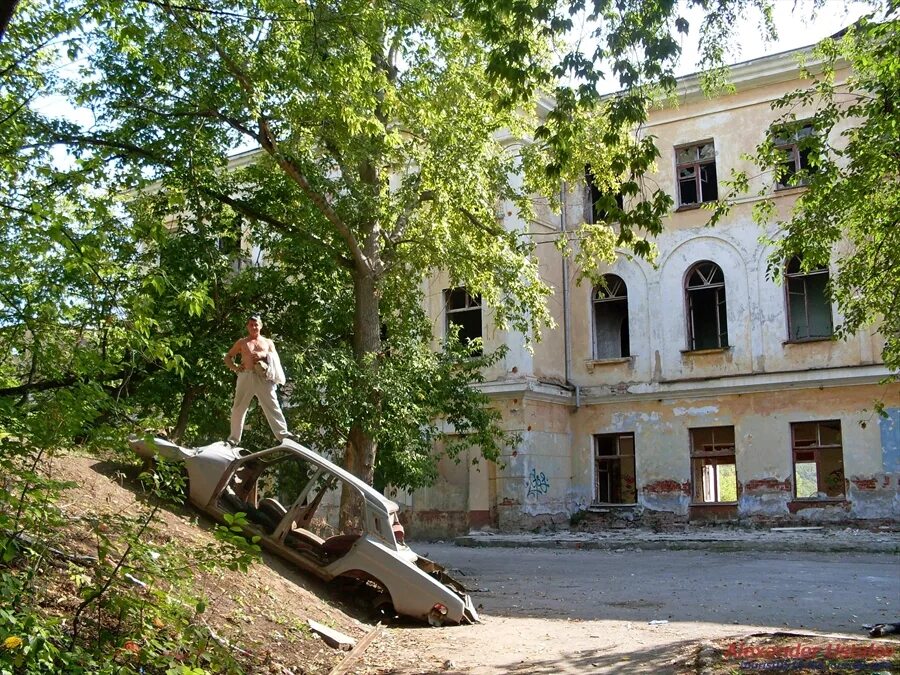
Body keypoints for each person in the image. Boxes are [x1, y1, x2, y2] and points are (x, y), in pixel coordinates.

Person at [224, 314, 293, 446]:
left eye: (256, 324)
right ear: (247, 326)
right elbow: (228, 357)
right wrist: (235, 368)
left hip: (263, 377)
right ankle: (233, 439)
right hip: (246, 376)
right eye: (251, 324)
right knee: (239, 407)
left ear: (260, 326)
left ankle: (283, 435)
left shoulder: (268, 342)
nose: (254, 327)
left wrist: (264, 355)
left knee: (272, 405)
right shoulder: (242, 342)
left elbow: (276, 360)